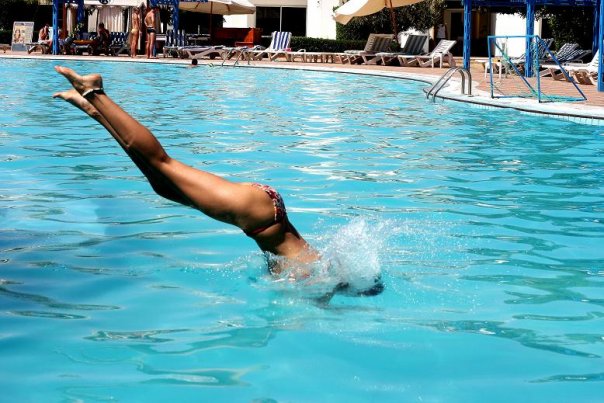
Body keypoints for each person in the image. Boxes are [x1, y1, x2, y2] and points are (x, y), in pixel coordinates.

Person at [52, 66, 384, 297]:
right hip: (255, 214)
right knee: (162, 163)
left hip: (262, 211)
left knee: (162, 185)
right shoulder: (318, 281)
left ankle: (96, 112)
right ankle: (95, 92)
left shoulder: (321, 268)